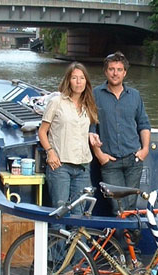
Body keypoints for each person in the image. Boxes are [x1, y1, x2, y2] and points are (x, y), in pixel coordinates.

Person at [90, 51, 151, 214]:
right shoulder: (95, 94)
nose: (115, 73)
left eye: (119, 69)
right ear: (105, 71)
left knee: (130, 208)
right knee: (118, 208)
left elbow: (144, 124)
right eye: (111, 69)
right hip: (110, 161)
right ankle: (118, 239)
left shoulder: (135, 96)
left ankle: (129, 240)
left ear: (125, 73)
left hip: (133, 159)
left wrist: (144, 150)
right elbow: (90, 127)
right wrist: (100, 155)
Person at [38, 62, 99, 214]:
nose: (79, 82)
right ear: (68, 80)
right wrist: (50, 152)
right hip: (60, 166)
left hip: (83, 167)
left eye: (82, 78)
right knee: (60, 213)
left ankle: (76, 239)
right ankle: (58, 239)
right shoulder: (56, 102)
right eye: (74, 78)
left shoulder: (88, 105)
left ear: (86, 81)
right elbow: (42, 131)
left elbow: (85, 129)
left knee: (79, 215)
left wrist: (91, 134)